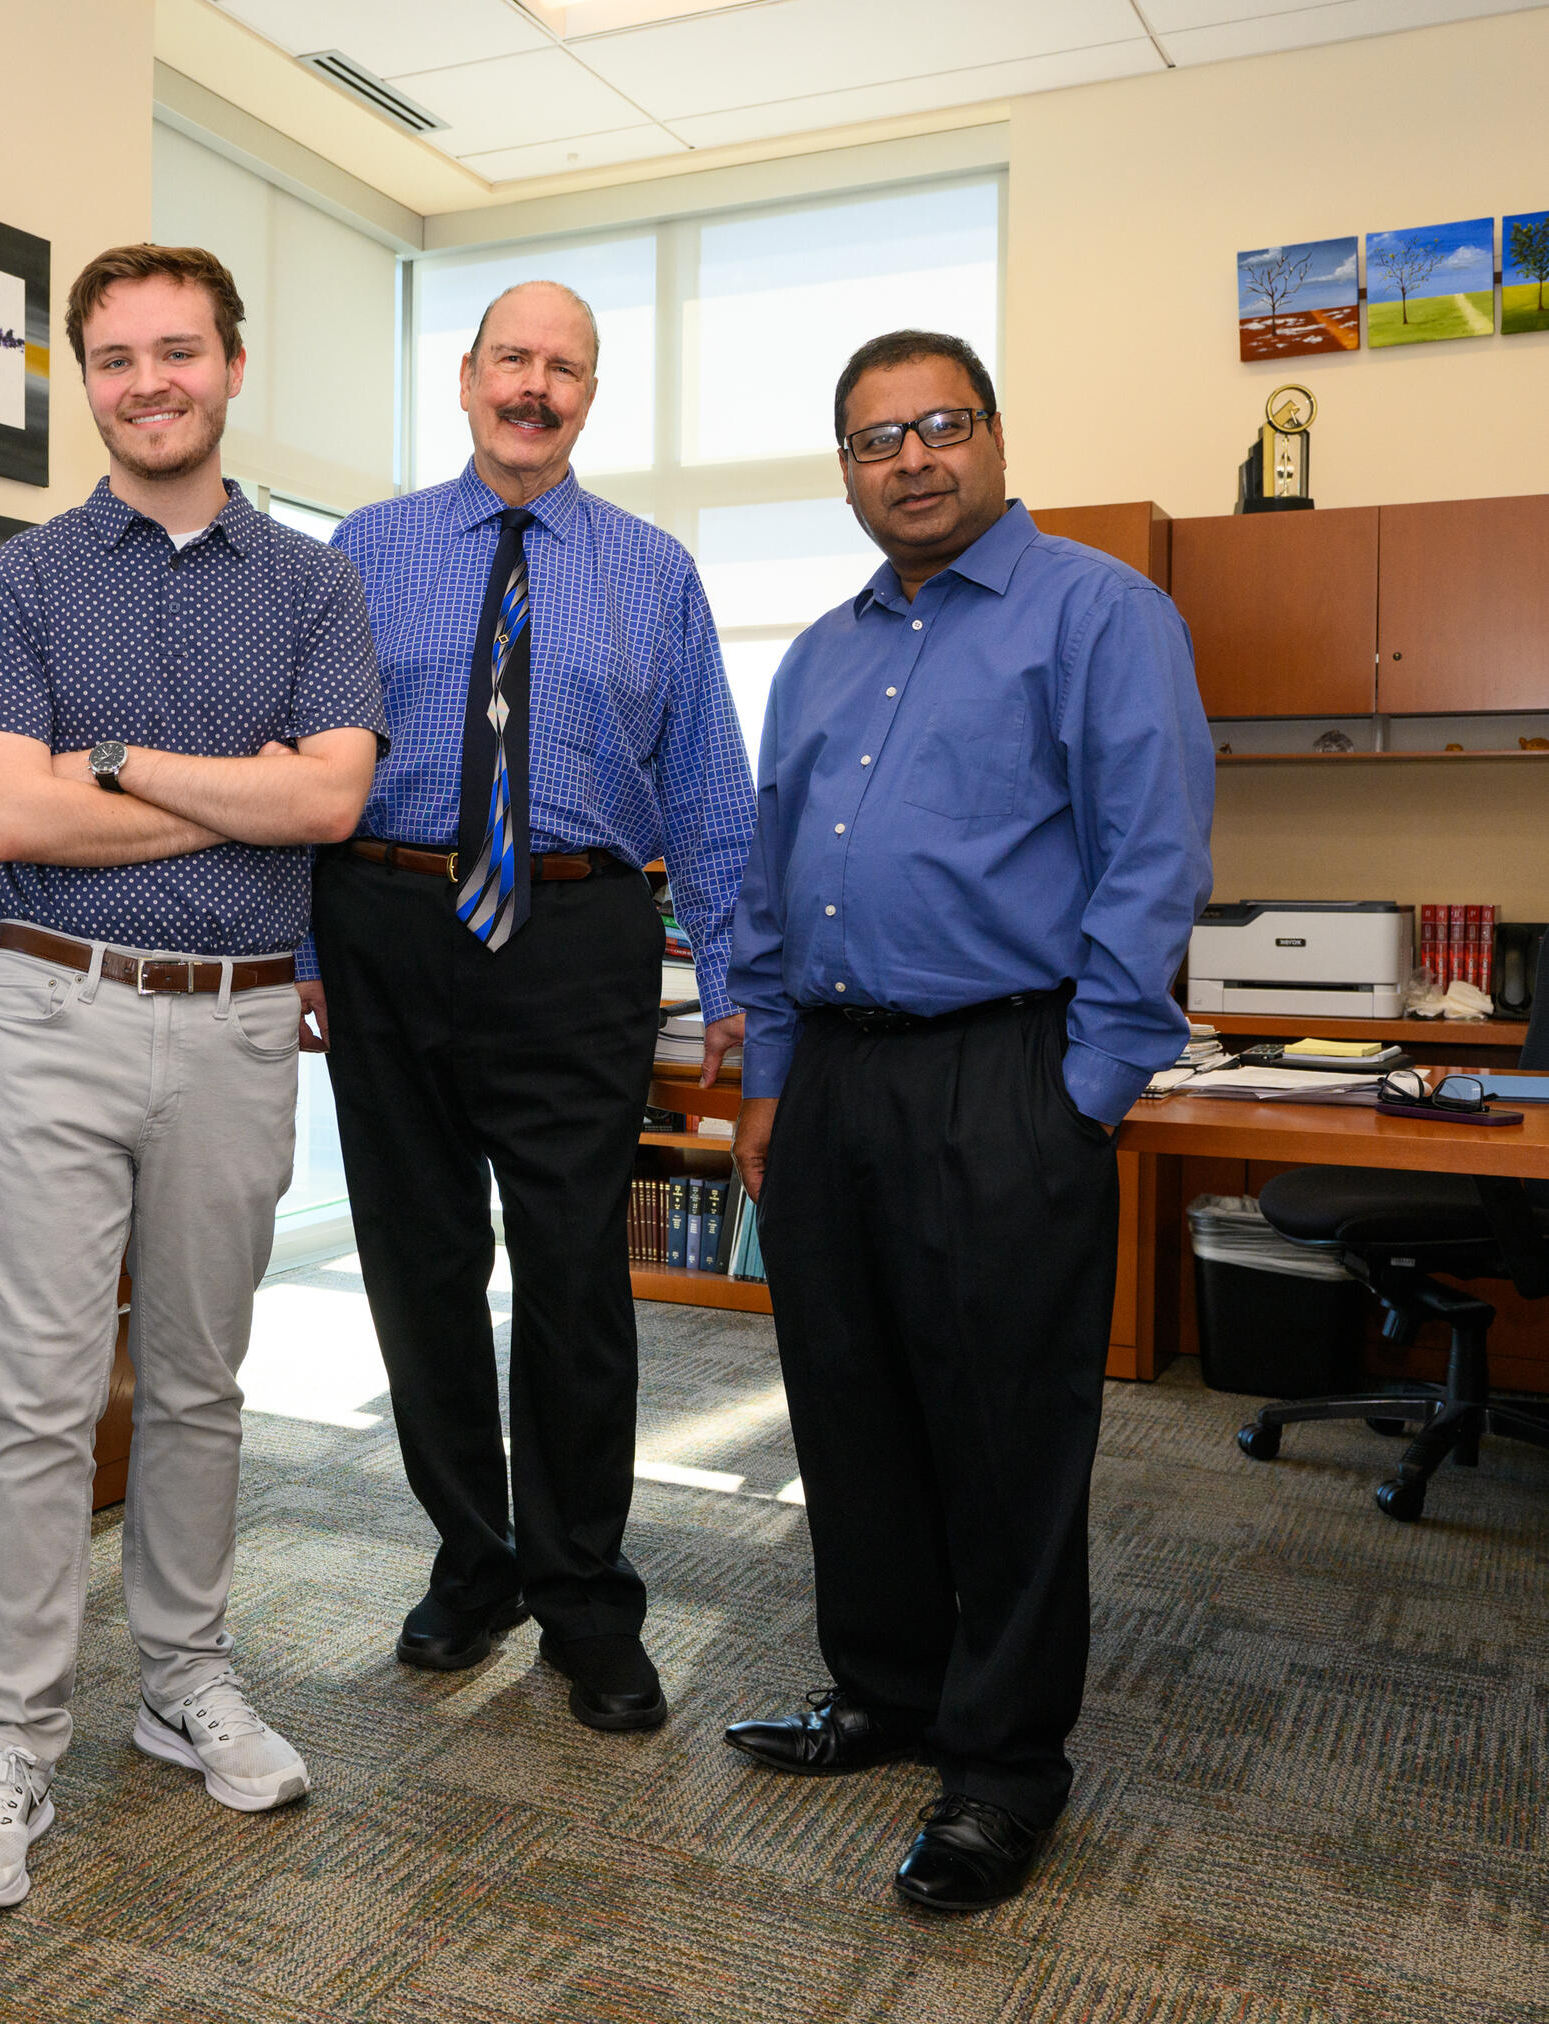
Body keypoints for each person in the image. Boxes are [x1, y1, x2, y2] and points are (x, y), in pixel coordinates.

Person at [0, 244, 383, 1910]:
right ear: (85, 383)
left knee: (196, 1385)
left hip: (247, 1025)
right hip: (57, 1013)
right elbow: (13, 822)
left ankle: (185, 1683)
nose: (146, 382)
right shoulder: (24, 581)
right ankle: (14, 1742)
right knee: (41, 1401)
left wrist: (111, 757)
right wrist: (234, 785)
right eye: (112, 359)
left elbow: (331, 807)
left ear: (232, 366)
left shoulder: (319, 589)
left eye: (176, 351)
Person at [722, 329, 1213, 1911]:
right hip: (838, 1080)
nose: (911, 459)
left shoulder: (1100, 614)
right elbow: (772, 880)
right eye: (876, 439)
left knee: (1003, 1430)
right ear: (848, 470)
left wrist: (1085, 1090)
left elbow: (1155, 860)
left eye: (941, 426)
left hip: (1007, 1068)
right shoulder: (816, 654)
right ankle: (885, 1691)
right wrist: (773, 1077)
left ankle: (1002, 1767)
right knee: (849, 1403)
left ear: (995, 437)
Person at [302, 281, 753, 1734]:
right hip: (383, 922)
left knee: (572, 1274)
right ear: (466, 376)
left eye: (566, 366)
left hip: (575, 931)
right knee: (418, 1265)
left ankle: (583, 1595)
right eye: (515, 359)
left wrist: (740, 983)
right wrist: (299, 943)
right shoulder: (365, 550)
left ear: (590, 393)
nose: (535, 387)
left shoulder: (654, 570)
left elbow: (709, 791)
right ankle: (474, 1558)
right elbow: (300, 751)